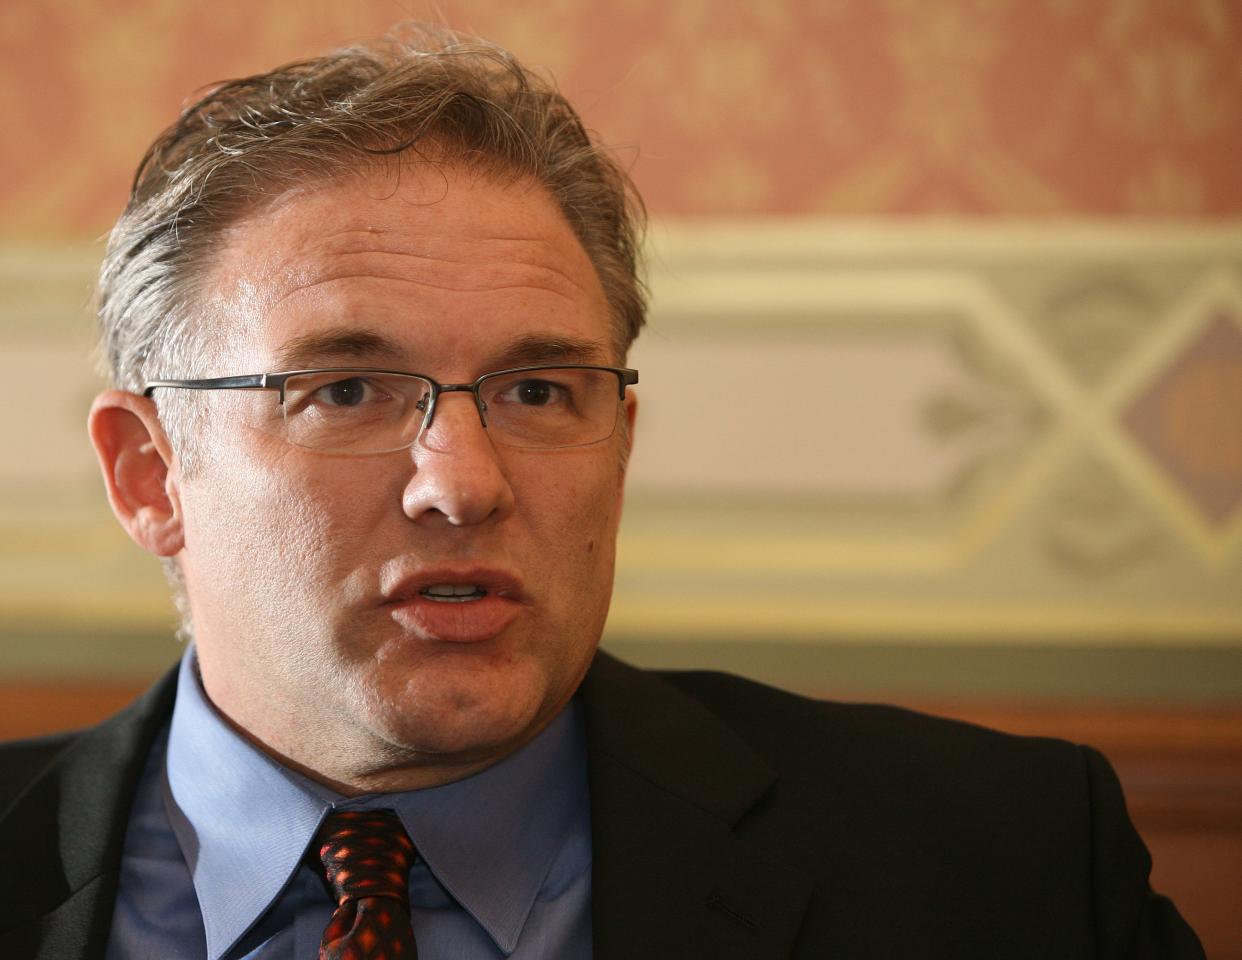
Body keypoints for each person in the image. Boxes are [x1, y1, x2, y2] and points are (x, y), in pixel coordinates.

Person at [0, 25, 1203, 960]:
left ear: (619, 444)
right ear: (151, 474)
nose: (462, 487)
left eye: (537, 394)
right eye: (350, 391)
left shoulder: (1006, 865)